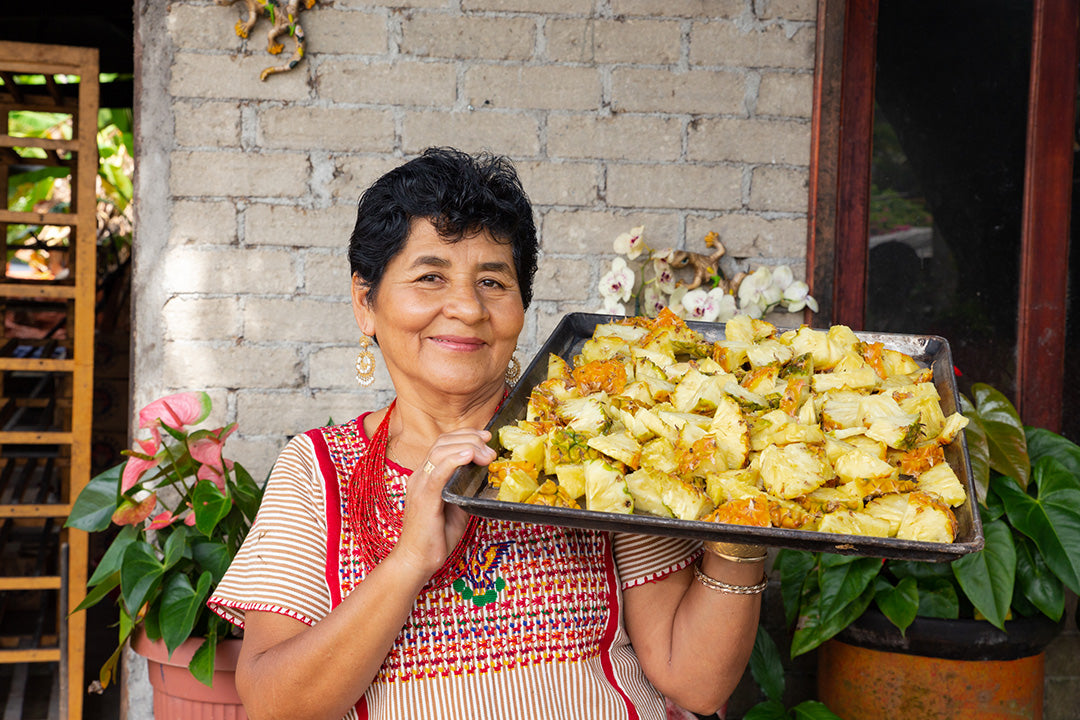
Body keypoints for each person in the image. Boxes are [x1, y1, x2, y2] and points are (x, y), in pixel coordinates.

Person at [208, 147, 766, 720]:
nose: (467, 308)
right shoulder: (320, 470)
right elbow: (274, 704)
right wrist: (408, 562)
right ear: (365, 303)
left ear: (521, 304)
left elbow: (695, 683)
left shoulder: (600, 442)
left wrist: (748, 514)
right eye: (430, 276)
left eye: (493, 281)